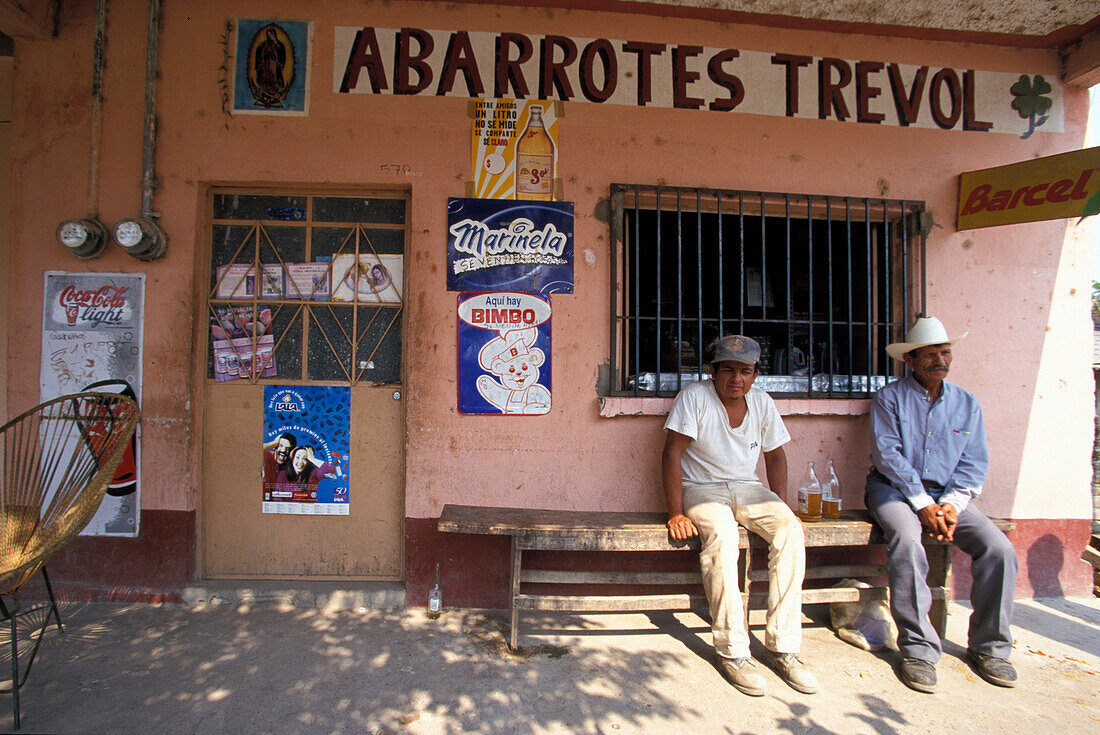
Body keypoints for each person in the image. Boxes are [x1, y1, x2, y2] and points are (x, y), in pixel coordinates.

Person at [865, 315, 1018, 693]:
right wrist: (922, 504)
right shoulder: (889, 398)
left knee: (999, 548)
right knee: (906, 539)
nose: (940, 360)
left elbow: (974, 462)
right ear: (911, 361)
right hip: (893, 490)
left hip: (950, 497)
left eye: (945, 353)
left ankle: (991, 647)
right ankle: (918, 649)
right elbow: (887, 456)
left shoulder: (967, 404)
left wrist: (949, 504)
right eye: (930, 355)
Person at [662, 335, 817, 697]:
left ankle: (783, 647)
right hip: (702, 488)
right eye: (727, 370)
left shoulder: (762, 402)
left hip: (748, 488)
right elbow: (672, 453)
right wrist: (675, 512)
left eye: (745, 371)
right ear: (712, 371)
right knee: (722, 536)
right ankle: (732, 651)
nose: (736, 378)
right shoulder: (695, 397)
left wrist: (778, 506)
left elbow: (776, 457)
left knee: (790, 530)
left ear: (756, 375)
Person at [262, 432, 296, 500]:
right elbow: (253, 451)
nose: (283, 450)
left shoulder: (292, 466)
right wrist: (274, 443)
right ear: (274, 447)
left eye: (288, 448)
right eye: (280, 445)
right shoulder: (266, 456)